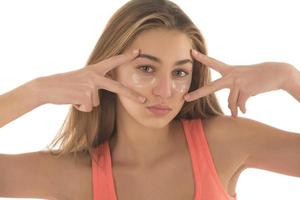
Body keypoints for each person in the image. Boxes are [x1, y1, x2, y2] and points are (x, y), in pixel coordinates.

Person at [0, 0, 299, 199]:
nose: (165, 91)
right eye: (146, 68)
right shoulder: (72, 174)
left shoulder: (224, 143)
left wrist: (290, 78)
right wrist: (35, 91)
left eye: (180, 72)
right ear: (110, 71)